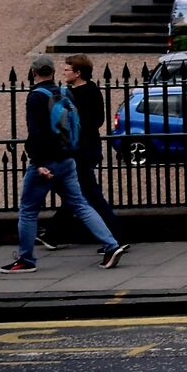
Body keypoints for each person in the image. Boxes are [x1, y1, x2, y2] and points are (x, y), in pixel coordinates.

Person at [3, 56, 126, 273]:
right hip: (69, 158)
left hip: (47, 162)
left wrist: (39, 162)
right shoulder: (64, 92)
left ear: (33, 73)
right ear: (52, 72)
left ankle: (26, 259)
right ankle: (111, 245)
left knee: (29, 210)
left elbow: (36, 133)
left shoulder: (36, 97)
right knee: (81, 204)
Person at [49, 55, 121, 247]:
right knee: (78, 192)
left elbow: (88, 122)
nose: (63, 72)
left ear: (78, 73)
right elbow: (98, 121)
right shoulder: (92, 91)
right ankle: (53, 233)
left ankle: (114, 237)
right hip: (87, 149)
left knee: (89, 193)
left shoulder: (77, 95)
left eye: (67, 69)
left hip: (81, 150)